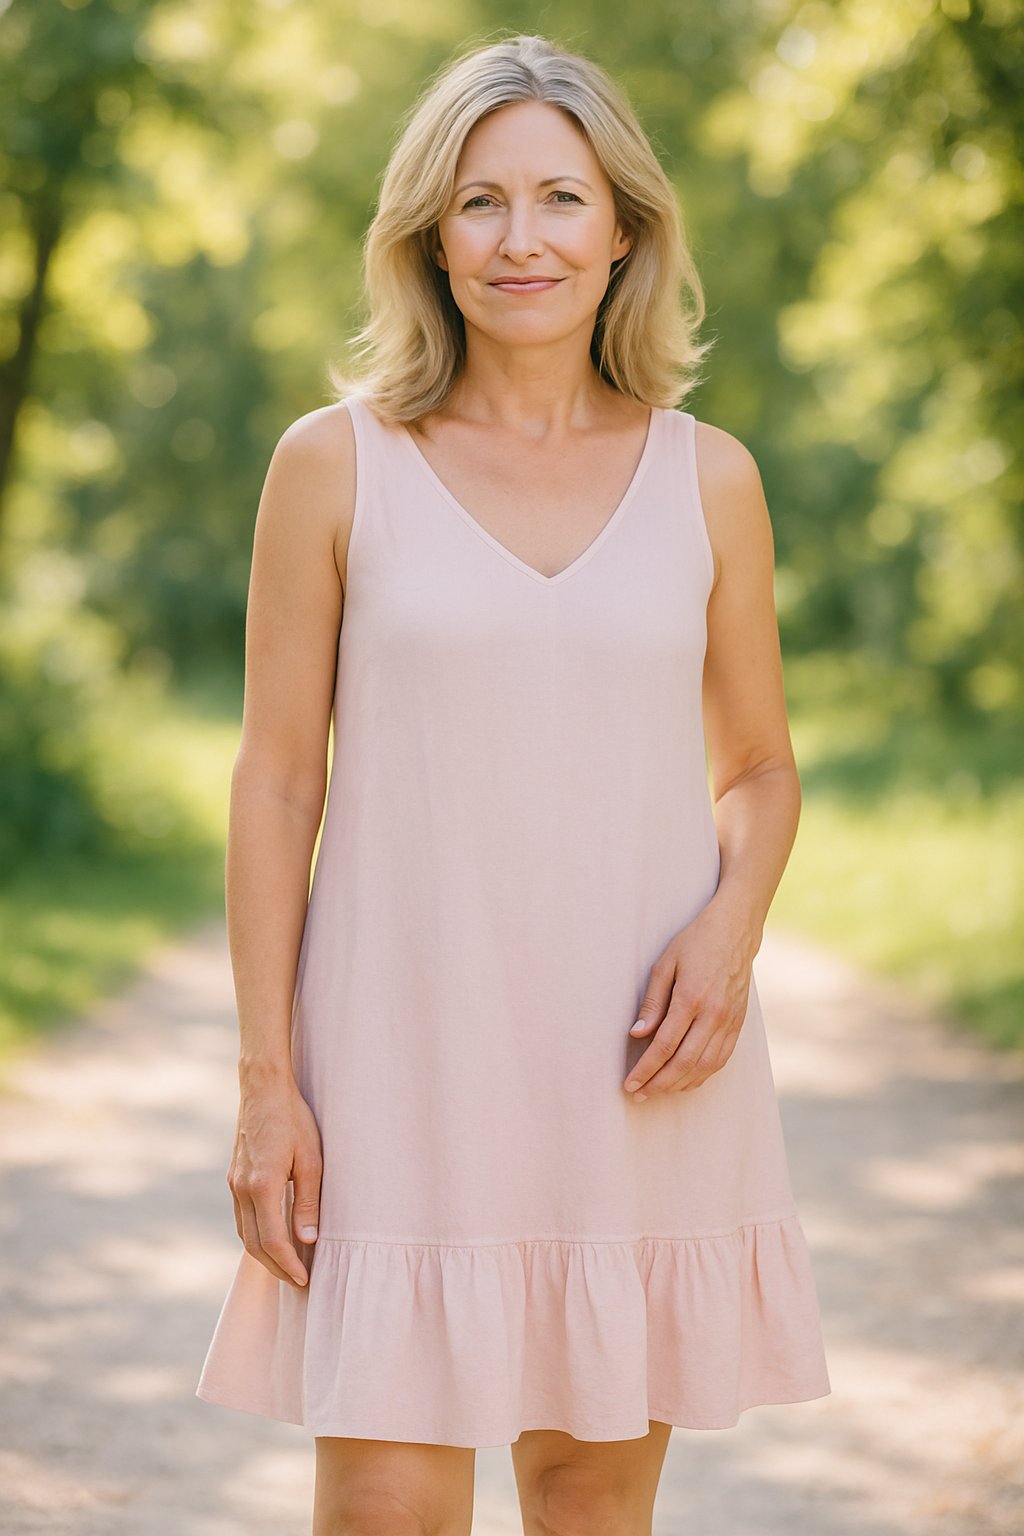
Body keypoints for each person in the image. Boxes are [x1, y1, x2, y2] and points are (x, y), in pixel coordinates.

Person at [195, 30, 831, 1536]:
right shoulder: (334, 465)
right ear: (430, 236)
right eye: (480, 202)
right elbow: (276, 783)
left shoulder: (711, 478)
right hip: (402, 1066)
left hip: (635, 1071)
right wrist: (268, 1087)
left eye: (560, 198)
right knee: (385, 1509)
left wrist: (731, 930)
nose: (520, 238)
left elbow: (758, 767)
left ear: (624, 231)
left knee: (591, 1504)